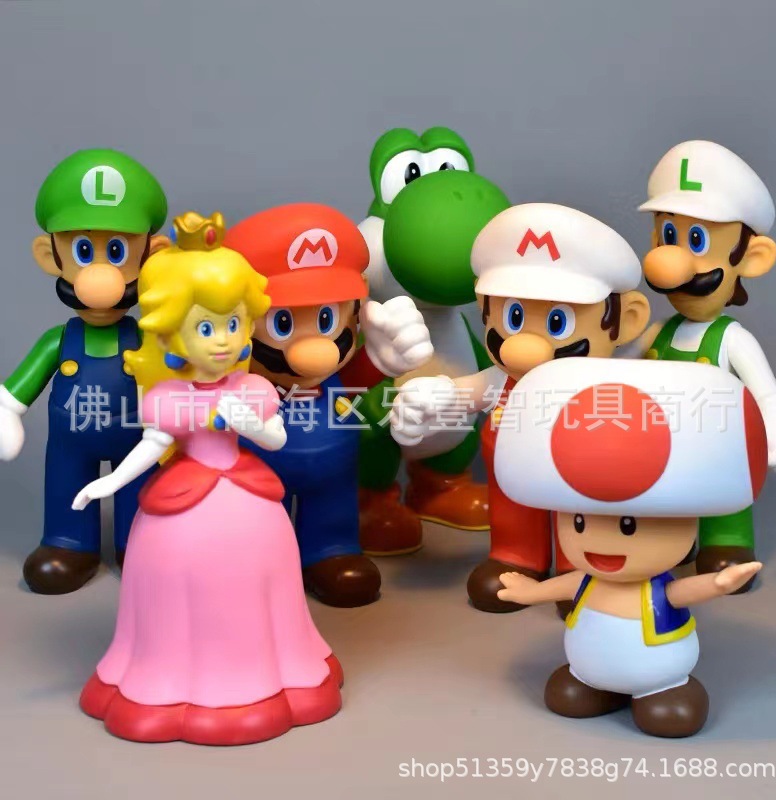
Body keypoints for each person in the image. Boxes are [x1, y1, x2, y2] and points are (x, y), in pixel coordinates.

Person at [72, 212, 341, 745]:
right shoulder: (168, 399)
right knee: (172, 587)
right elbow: (153, 445)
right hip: (181, 506)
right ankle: (168, 677)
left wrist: (250, 425)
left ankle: (272, 668)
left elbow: (276, 439)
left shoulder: (252, 390)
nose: (222, 341)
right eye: (204, 327)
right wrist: (110, 483)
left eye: (233, 324)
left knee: (262, 585)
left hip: (252, 504)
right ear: (170, 332)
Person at [390, 204, 649, 612]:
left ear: (626, 321)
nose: (523, 346)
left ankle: (578, 567)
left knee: (581, 517)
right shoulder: (501, 380)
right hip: (511, 483)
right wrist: (432, 398)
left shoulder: (602, 388)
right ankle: (517, 556)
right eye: (513, 316)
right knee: (514, 515)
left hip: (582, 487)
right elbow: (463, 393)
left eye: (557, 322)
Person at [493, 357, 767, 738]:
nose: (599, 542)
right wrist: (530, 592)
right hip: (588, 670)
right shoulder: (587, 580)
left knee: (670, 713)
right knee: (567, 695)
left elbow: (682, 592)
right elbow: (566, 586)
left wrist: (717, 584)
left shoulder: (655, 589)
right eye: (579, 522)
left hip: (658, 675)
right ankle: (593, 683)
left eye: (627, 526)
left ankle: (660, 689)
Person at [225, 203, 432, 606]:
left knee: (333, 508)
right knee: (257, 518)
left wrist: (384, 361)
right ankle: (256, 558)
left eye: (326, 320)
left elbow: (358, 382)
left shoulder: (338, 377)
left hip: (334, 474)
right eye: (283, 323)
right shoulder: (245, 386)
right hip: (258, 474)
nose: (314, 351)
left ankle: (330, 551)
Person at [0, 149, 169, 593]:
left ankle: (139, 541)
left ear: (152, 256)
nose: (100, 279)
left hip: (137, 437)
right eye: (82, 251)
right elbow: (15, 391)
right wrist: (7, 410)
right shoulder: (58, 341)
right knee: (66, 483)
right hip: (70, 442)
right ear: (49, 256)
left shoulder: (148, 337)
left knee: (140, 486)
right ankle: (68, 542)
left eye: (116, 252)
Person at [634, 140, 776, 589]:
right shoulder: (658, 331)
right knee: (666, 492)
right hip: (664, 448)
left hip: (719, 448)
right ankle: (674, 538)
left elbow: (766, 393)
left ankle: (726, 540)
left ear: (752, 259)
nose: (672, 262)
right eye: (668, 236)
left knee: (724, 491)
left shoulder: (732, 339)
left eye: (696, 241)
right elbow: (620, 370)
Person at [356, 127, 511, 555]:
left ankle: (442, 484)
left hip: (451, 407)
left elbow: (485, 370)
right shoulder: (377, 322)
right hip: (386, 407)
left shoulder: (456, 319)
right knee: (369, 420)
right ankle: (372, 498)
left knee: (463, 409)